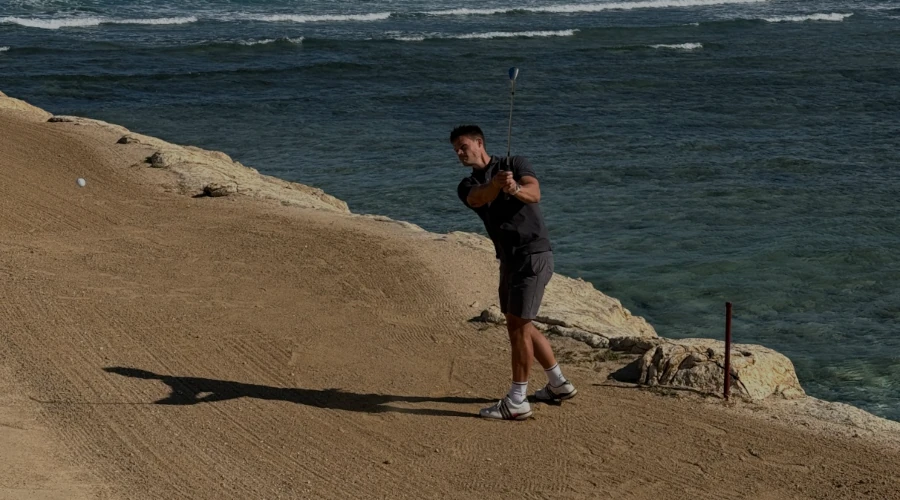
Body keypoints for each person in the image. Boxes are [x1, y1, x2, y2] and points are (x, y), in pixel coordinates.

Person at [451, 124, 577, 421]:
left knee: (519, 326)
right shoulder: (467, 184)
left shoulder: (516, 164)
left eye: (463, 146)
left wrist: (514, 188)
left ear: (479, 142)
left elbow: (534, 193)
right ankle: (558, 383)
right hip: (509, 260)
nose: (458, 153)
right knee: (519, 323)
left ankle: (517, 399)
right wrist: (497, 185)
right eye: (455, 149)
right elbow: (477, 198)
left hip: (532, 255)